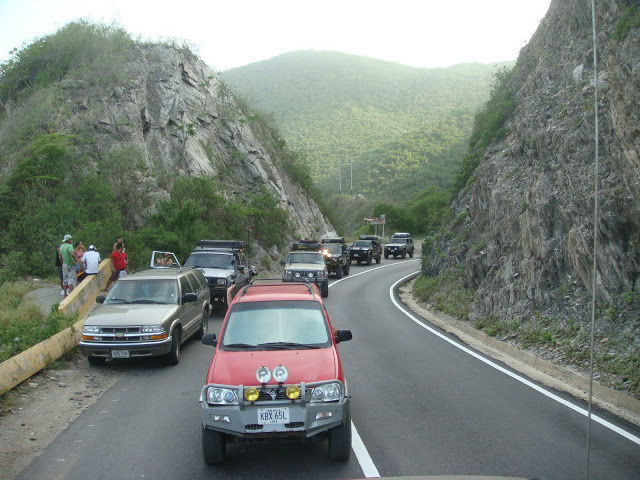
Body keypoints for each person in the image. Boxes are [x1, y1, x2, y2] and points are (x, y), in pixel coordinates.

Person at [59, 234, 76, 298]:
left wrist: (62, 263)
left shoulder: (61, 247)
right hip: (70, 264)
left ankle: (65, 294)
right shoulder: (69, 246)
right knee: (71, 279)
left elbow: (60, 257)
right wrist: (75, 260)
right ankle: (71, 294)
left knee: (65, 279)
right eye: (70, 239)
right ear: (68, 240)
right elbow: (72, 254)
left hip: (64, 265)